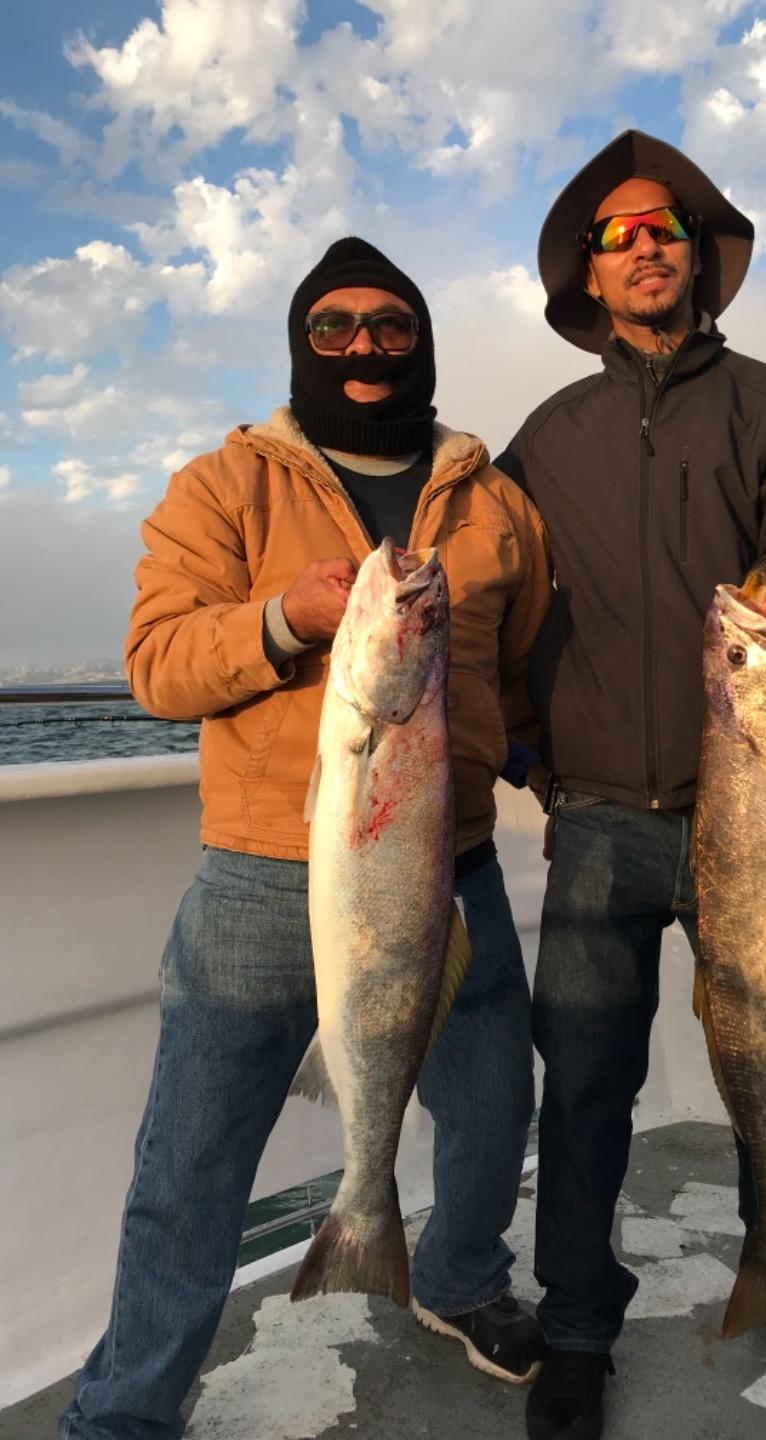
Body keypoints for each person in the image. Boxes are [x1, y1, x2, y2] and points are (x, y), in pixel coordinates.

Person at [60, 237, 551, 1440]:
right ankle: (125, 1412)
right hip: (258, 879)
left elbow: (521, 663)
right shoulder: (224, 485)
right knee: (192, 1166)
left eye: (390, 324)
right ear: (301, 344)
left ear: (421, 339)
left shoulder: (495, 499)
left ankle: (457, 1278)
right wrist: (288, 617)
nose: (365, 347)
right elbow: (159, 665)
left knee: (493, 1106)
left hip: (453, 864)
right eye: (333, 328)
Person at [493, 131, 766, 1440]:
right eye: (618, 233)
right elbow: (494, 614)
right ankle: (574, 1330)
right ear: (590, 270)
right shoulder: (542, 441)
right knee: (586, 1084)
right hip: (605, 823)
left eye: (665, 227)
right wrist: (530, 757)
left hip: (758, 797)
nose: (644, 245)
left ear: (699, 255)